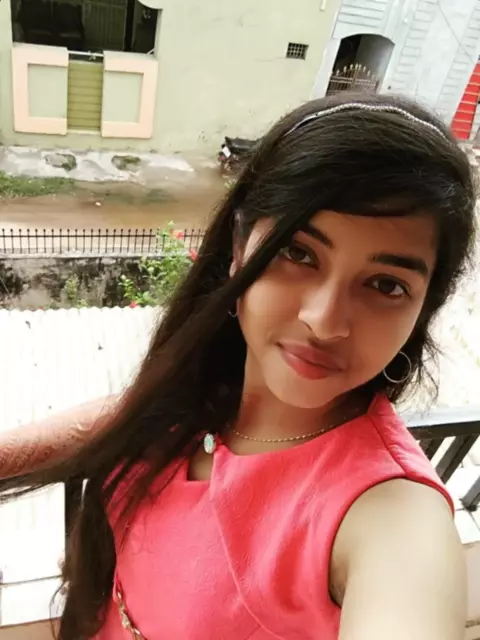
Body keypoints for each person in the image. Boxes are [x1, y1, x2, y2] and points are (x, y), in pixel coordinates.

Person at [0, 92, 476, 640]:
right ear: (239, 246)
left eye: (386, 285)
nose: (324, 320)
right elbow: (137, 414)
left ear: (423, 310)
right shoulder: (206, 389)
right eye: (298, 253)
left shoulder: (388, 515)